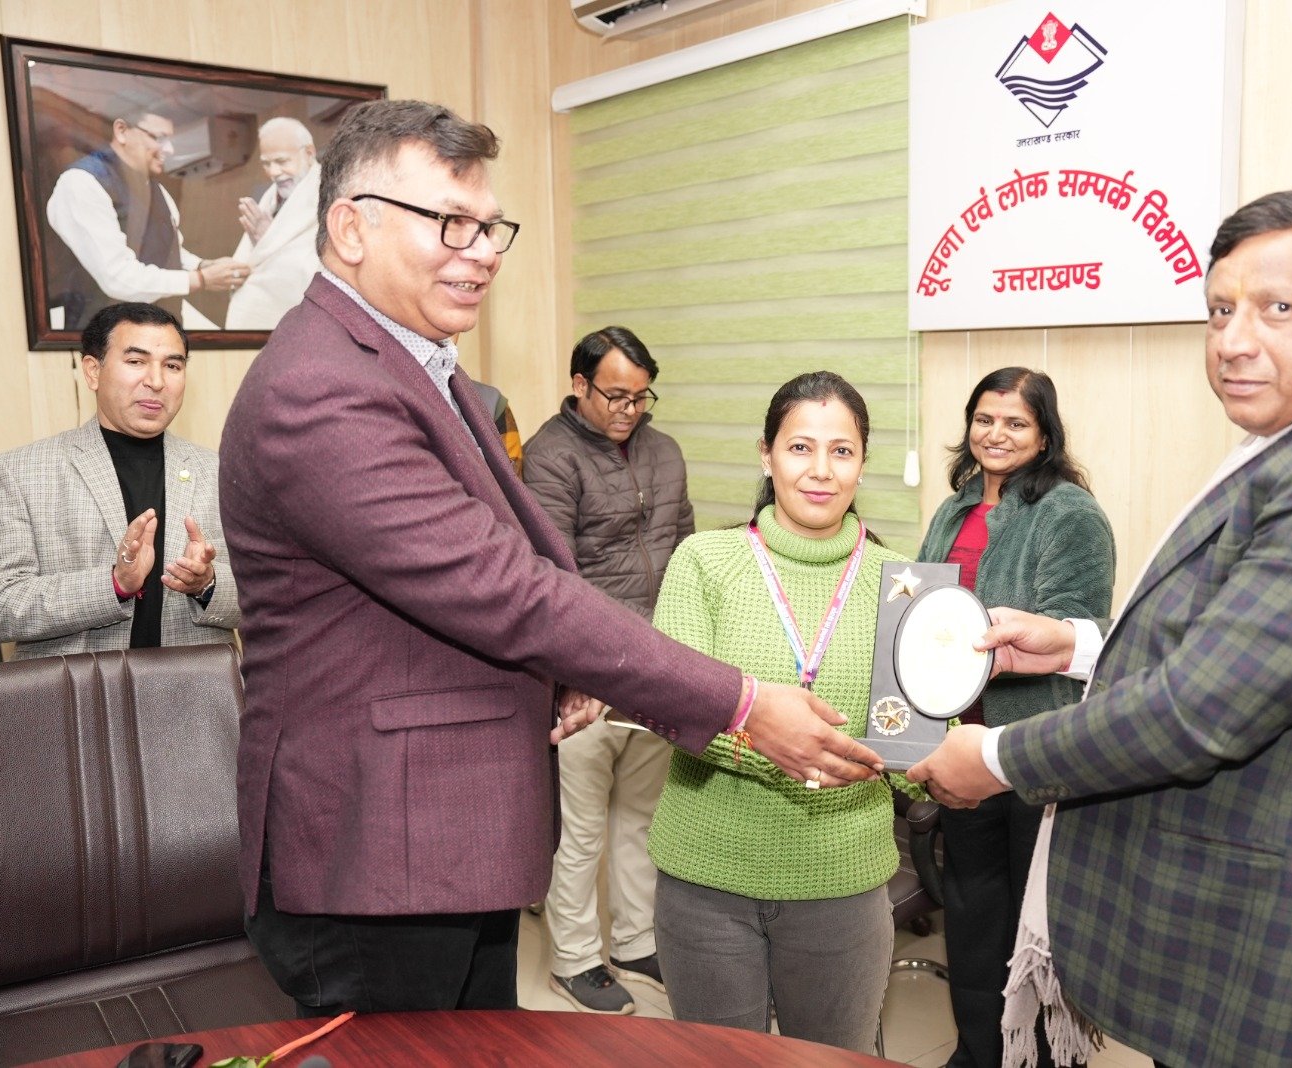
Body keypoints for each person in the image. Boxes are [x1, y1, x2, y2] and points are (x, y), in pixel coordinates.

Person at [218, 99, 882, 1019]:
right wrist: (740, 703)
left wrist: (561, 671)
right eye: (451, 222)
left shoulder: (418, 363)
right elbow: (502, 589)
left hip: (440, 839)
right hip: (375, 855)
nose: (483, 250)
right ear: (351, 227)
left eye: (491, 226)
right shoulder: (322, 387)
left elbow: (504, 555)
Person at [908, 188, 1292, 1068]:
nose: (1234, 341)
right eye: (1221, 310)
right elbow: (1230, 641)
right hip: (1236, 926)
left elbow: (1200, 709)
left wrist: (994, 758)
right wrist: (1080, 646)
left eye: (1279, 309)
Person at [646, 371, 913, 1054]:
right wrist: (774, 745)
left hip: (844, 884)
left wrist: (950, 746)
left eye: (842, 451)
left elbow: (912, 741)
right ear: (766, 455)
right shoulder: (704, 562)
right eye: (800, 447)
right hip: (706, 882)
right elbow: (672, 707)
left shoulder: (903, 583)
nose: (821, 470)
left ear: (862, 463)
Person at [916, 367, 1115, 1068]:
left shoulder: (1071, 514)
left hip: (1032, 753)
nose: (995, 434)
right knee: (972, 914)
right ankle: (977, 1052)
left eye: (1015, 423)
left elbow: (1079, 632)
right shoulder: (954, 509)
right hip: (961, 745)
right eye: (984, 419)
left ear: (1044, 435)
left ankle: (1041, 1057)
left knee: (1039, 931)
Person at [522, 326, 689, 1013]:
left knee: (641, 816)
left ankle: (635, 941)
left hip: (653, 665)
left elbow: (683, 549)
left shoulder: (664, 451)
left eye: (641, 397)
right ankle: (575, 958)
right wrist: (574, 673)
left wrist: (681, 651)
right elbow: (551, 571)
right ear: (579, 384)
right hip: (586, 673)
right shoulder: (550, 455)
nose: (629, 410)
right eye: (616, 396)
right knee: (581, 827)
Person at [0, 302, 239, 659]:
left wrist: (207, 583)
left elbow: (266, 596)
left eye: (172, 366)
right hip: (75, 689)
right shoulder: (20, 471)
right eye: (136, 361)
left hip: (197, 687)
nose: (156, 381)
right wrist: (114, 584)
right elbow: (1, 606)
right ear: (93, 371)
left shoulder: (220, 472)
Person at [46, 107, 248, 330]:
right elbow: (117, 277)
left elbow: (170, 251)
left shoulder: (160, 193)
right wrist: (200, 279)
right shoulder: (82, 183)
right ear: (122, 131)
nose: (169, 149)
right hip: (103, 336)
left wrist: (203, 265)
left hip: (161, 334)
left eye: (171, 140)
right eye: (159, 138)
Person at [227, 117, 322, 329]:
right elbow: (252, 260)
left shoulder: (329, 195)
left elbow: (318, 274)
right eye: (266, 163)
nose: (273, 172)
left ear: (309, 153)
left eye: (281, 161)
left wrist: (269, 239)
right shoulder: (270, 197)